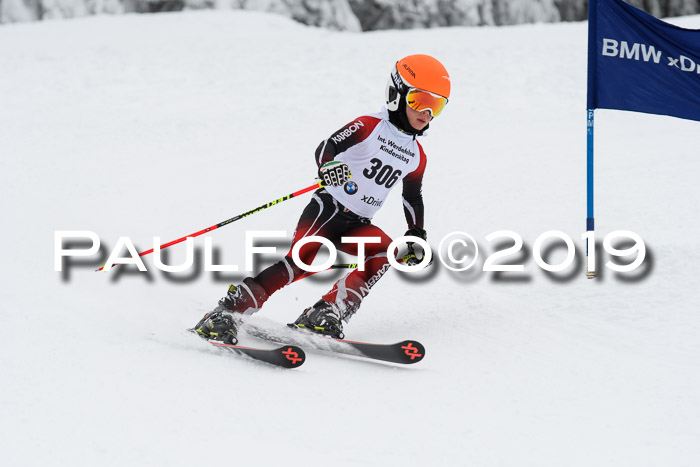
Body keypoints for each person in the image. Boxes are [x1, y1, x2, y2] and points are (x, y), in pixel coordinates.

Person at [193, 54, 451, 343]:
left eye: (436, 105)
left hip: (358, 223)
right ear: (397, 94)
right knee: (301, 262)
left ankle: (328, 311)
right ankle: (226, 313)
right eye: (419, 100)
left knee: (384, 252)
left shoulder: (417, 155)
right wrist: (328, 166)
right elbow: (327, 146)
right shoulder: (369, 125)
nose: (426, 112)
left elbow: (412, 197)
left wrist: (416, 234)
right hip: (328, 209)